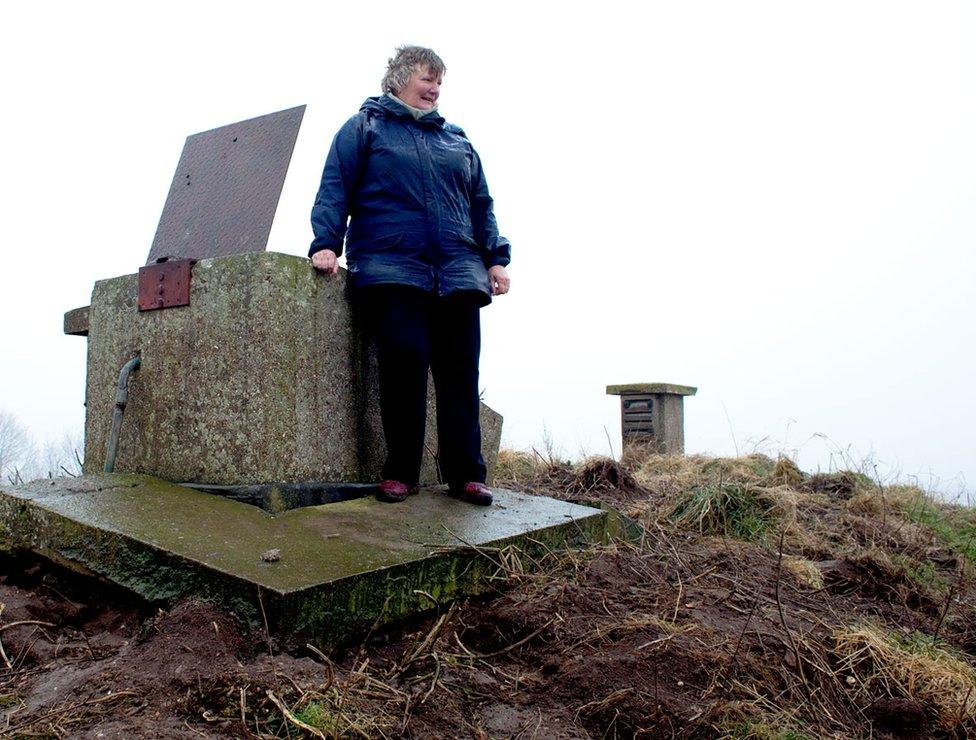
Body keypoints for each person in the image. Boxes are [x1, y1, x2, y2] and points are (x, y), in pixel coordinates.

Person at [309, 46, 511, 506]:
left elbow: (481, 203)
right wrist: (326, 243)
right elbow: (335, 185)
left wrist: (495, 258)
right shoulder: (364, 127)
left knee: (460, 371)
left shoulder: (456, 140)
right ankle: (401, 471)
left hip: (459, 271)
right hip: (392, 267)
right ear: (399, 79)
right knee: (405, 362)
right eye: (427, 78)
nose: (435, 87)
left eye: (440, 81)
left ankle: (467, 475)